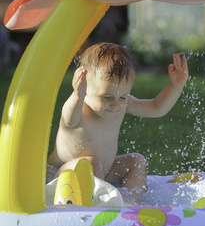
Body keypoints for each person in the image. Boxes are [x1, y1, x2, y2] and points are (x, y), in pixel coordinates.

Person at [47, 42, 189, 199]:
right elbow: (68, 120)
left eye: (123, 96)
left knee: (137, 161)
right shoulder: (77, 107)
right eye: (107, 97)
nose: (116, 104)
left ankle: (129, 205)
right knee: (91, 163)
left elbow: (156, 108)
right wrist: (77, 95)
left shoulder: (122, 104)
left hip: (102, 172)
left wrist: (175, 86)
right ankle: (100, 206)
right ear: (84, 87)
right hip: (63, 178)